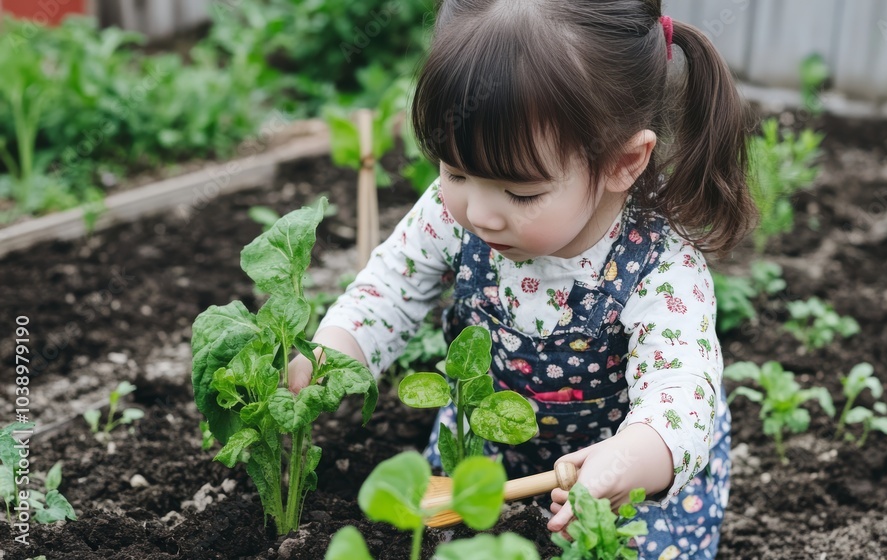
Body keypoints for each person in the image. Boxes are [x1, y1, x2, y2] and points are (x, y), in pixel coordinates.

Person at [289, 1, 756, 557]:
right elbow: (386, 292)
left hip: (619, 482)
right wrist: (323, 360)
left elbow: (682, 398)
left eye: (521, 192)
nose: (480, 212)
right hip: (486, 452)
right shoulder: (449, 212)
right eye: (456, 171)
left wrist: (629, 461)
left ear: (623, 162)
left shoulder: (660, 268)